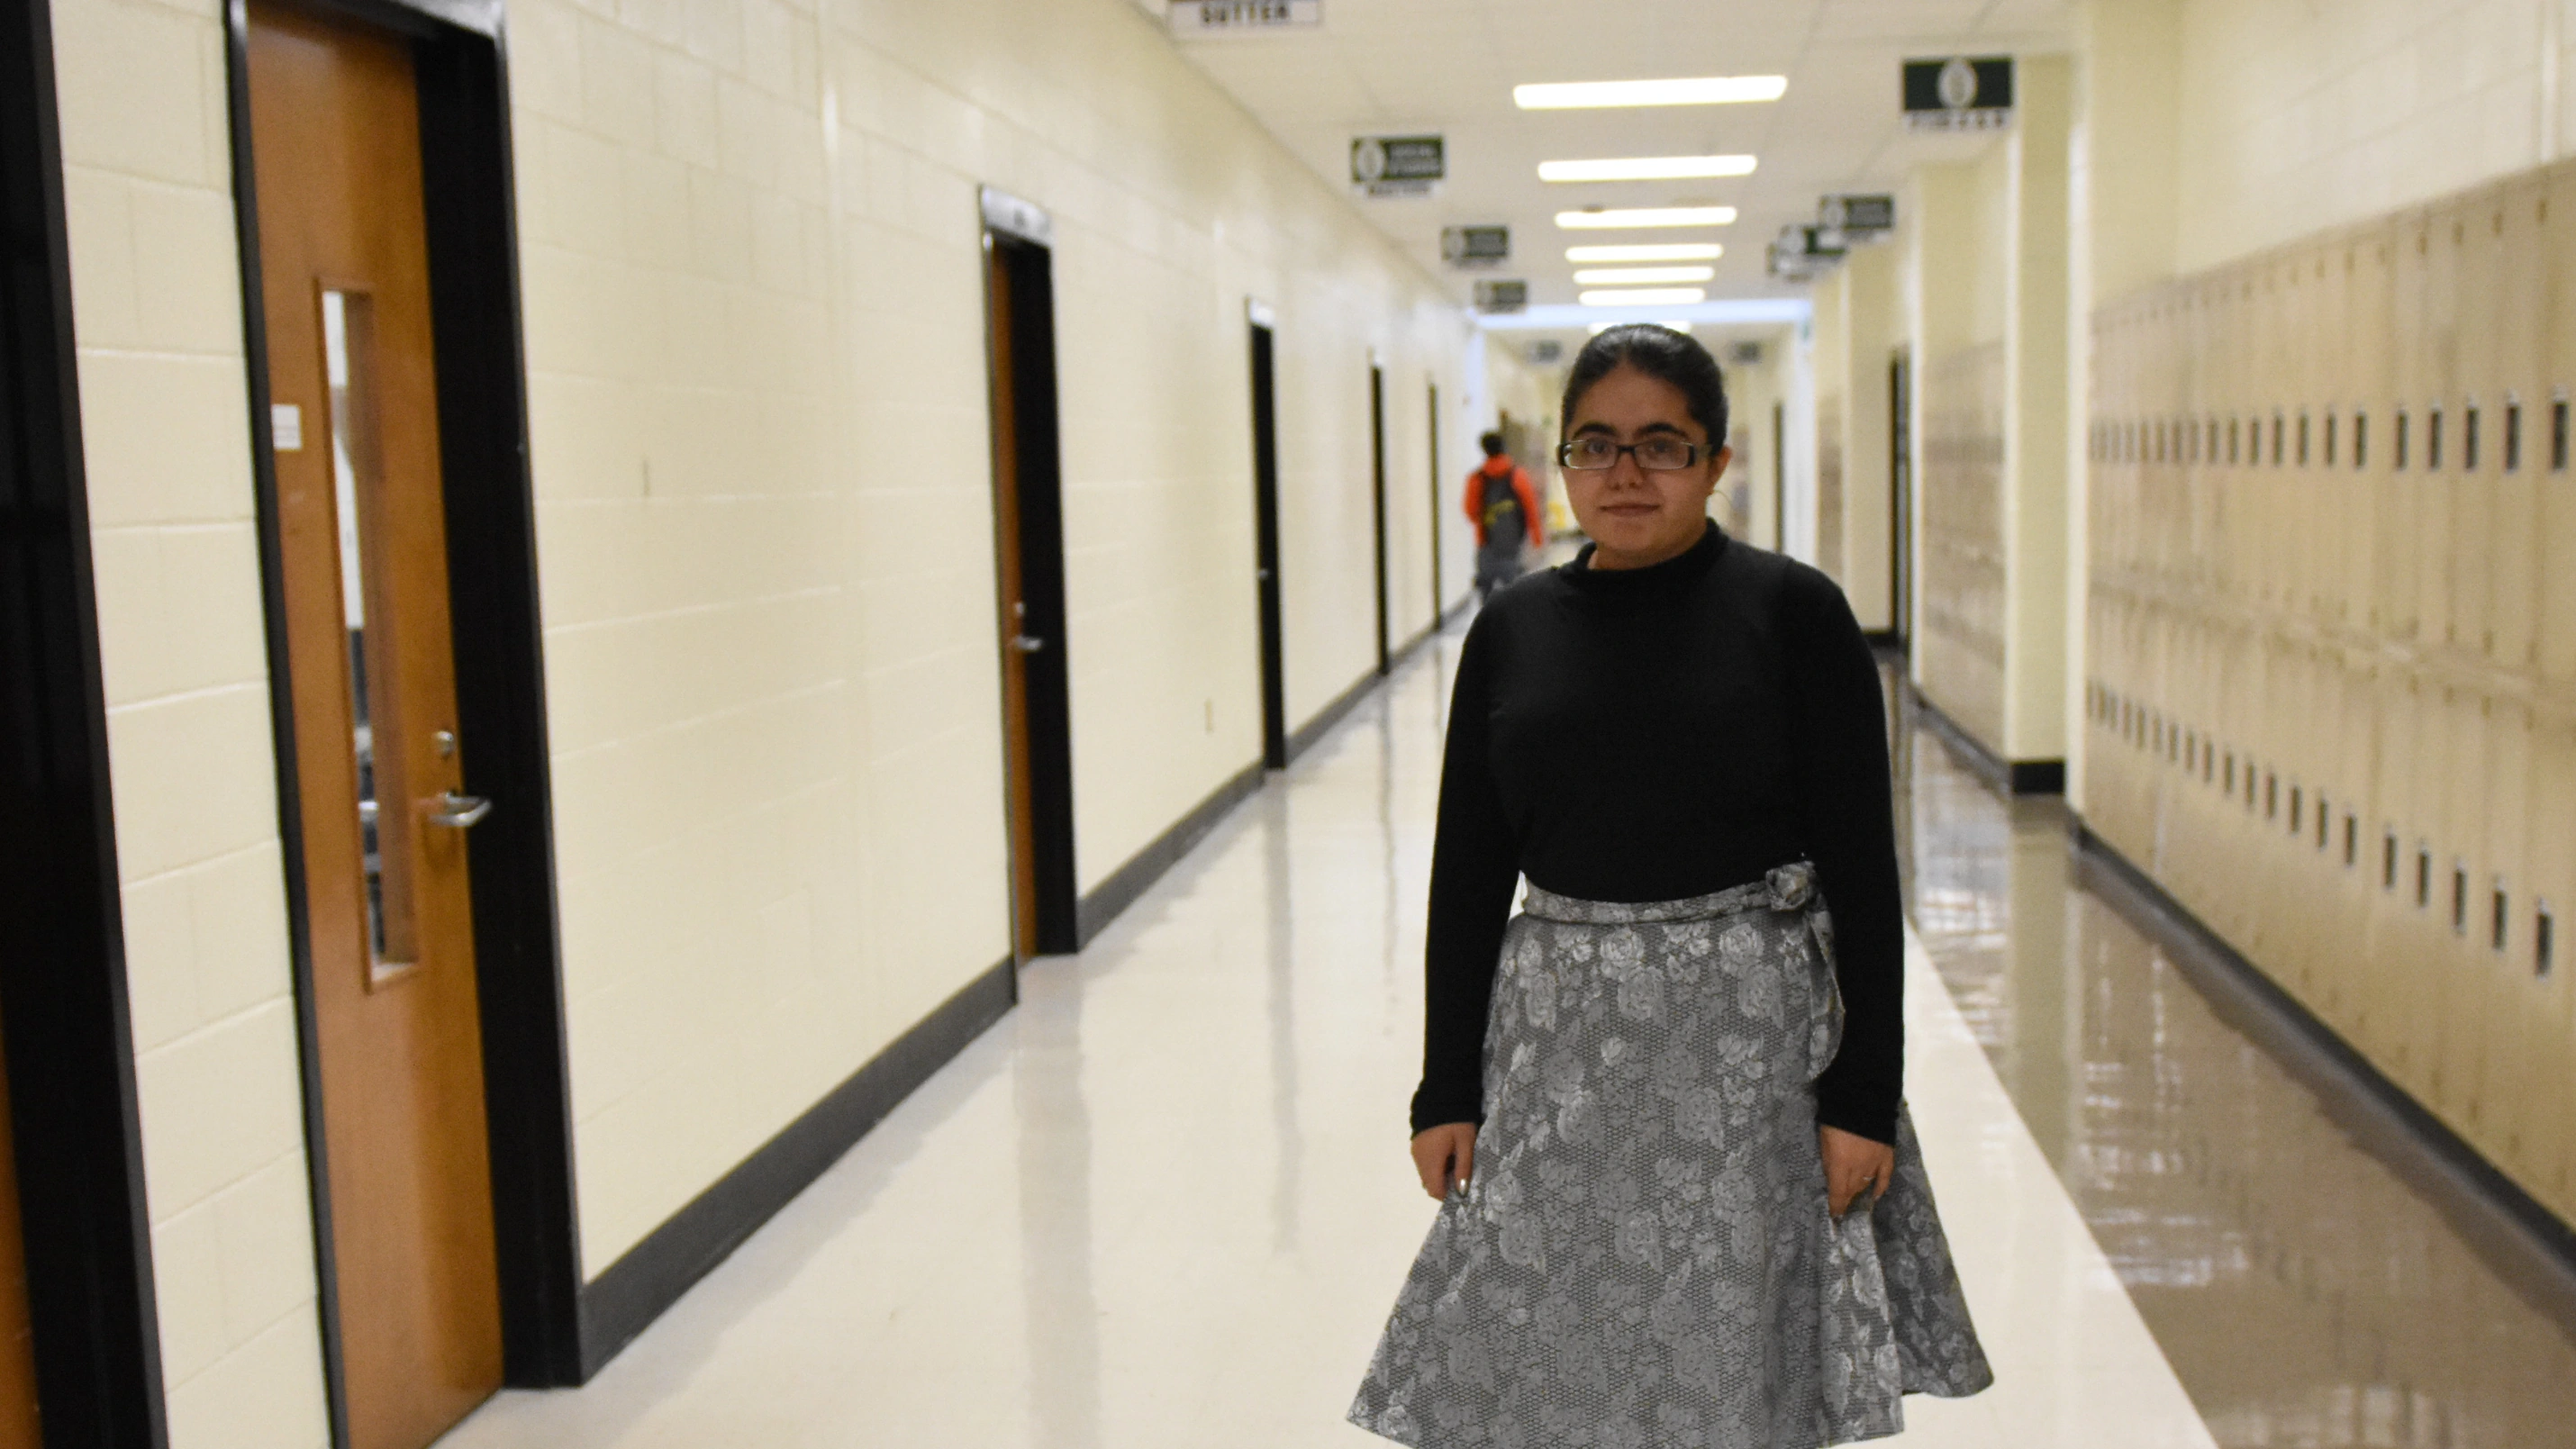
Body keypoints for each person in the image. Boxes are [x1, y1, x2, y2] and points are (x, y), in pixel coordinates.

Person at [1350, 325, 1991, 1449]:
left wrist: (1859, 1096)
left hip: (1752, 1059)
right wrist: (1444, 1086)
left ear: (1715, 462)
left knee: (1734, 1354)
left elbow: (1860, 868)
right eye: (1595, 445)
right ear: (1560, 463)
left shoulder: (1794, 615)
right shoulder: (1510, 633)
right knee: (1554, 1344)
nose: (1625, 473)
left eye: (1661, 445)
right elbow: (1466, 876)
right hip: (1560, 1053)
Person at [1465, 430, 1547, 600]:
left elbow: (1471, 512)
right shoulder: (1518, 475)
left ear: (1484, 450)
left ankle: (1489, 625)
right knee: (1514, 592)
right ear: (1503, 447)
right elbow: (1531, 508)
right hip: (1513, 544)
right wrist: (1537, 537)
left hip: (1486, 543)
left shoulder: (1477, 478)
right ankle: (1513, 624)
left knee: (1485, 593)